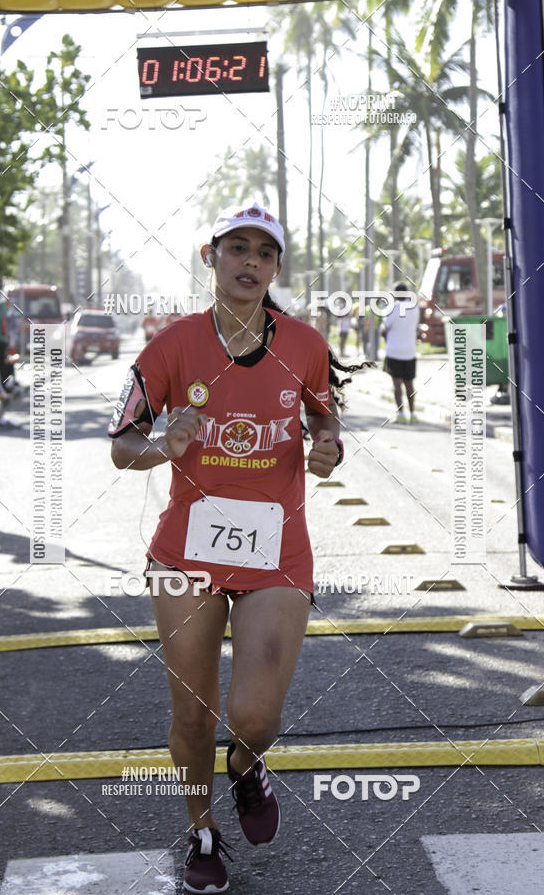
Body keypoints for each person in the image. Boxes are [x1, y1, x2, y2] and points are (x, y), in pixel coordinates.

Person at [109, 202, 364, 894]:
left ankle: (247, 765)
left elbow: (324, 415)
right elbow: (120, 447)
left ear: (276, 267)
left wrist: (327, 446)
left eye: (264, 253)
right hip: (184, 553)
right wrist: (165, 444)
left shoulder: (306, 344)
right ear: (210, 256)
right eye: (236, 248)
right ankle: (201, 831)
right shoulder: (169, 347)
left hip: (277, 551)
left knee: (254, 715)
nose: (250, 262)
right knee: (192, 712)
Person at [381, 281, 419, 424]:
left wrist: (387, 339)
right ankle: (413, 413)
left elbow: (384, 330)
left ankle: (401, 414)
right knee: (410, 384)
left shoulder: (391, 309)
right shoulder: (415, 308)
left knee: (397, 384)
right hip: (410, 351)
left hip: (394, 351)